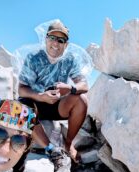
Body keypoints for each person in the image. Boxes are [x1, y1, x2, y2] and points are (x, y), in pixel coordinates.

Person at [18, 19, 90, 163]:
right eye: (52, 38)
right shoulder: (34, 58)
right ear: (46, 39)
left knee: (81, 100)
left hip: (57, 106)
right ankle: (50, 148)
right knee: (21, 108)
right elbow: (21, 89)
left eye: (61, 40)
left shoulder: (70, 59)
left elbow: (84, 85)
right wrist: (40, 96)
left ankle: (68, 144)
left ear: (66, 44)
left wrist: (70, 88)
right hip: (36, 104)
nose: (55, 43)